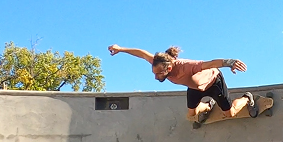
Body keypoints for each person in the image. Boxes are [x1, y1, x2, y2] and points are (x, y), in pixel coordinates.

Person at [108, 44, 257, 123]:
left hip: (213, 83)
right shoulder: (157, 61)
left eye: (159, 74)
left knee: (230, 114)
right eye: (154, 73)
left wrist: (229, 62)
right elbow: (141, 53)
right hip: (194, 88)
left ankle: (246, 98)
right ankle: (209, 105)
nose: (156, 77)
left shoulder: (186, 66)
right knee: (191, 114)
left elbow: (210, 63)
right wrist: (121, 49)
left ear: (169, 68)